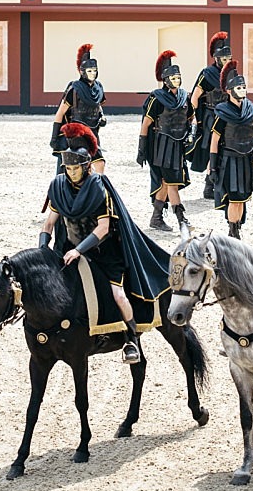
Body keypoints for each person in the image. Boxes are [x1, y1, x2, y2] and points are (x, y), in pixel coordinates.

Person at [40, 122, 171, 365]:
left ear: (86, 165)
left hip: (103, 251)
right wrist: (42, 248)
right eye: (67, 168)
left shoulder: (98, 188)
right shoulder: (59, 187)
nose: (70, 172)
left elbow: (103, 228)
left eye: (75, 168)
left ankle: (131, 339)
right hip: (70, 248)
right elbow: (49, 223)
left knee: (117, 294)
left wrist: (79, 250)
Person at [137, 50, 194, 233]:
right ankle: (182, 220)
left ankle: (156, 217)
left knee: (165, 183)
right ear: (165, 79)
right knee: (172, 184)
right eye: (173, 77)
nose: (176, 80)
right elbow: (146, 123)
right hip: (160, 147)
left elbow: (191, 117)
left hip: (177, 145)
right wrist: (142, 148)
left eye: (178, 77)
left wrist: (190, 134)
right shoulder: (157, 97)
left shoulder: (185, 96)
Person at [207, 59, 253, 239]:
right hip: (229, 160)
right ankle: (233, 232)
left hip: (246, 159)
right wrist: (213, 167)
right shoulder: (222, 111)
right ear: (230, 91)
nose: (243, 91)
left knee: (243, 198)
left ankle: (237, 227)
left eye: (244, 87)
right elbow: (215, 140)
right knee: (233, 198)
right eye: (239, 88)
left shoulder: (251, 108)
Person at [188, 31, 232, 201]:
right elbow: (195, 96)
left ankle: (215, 182)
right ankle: (209, 185)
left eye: (229, 58)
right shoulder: (207, 73)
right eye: (224, 58)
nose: (226, 61)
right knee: (211, 148)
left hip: (225, 115)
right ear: (216, 57)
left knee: (224, 148)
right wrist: (193, 119)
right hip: (209, 116)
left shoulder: (230, 73)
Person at [50, 43, 106, 174]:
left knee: (99, 164)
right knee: (76, 165)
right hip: (76, 132)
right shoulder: (75, 89)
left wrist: (102, 116)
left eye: (95, 70)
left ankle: (96, 190)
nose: (93, 73)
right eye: (89, 71)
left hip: (92, 132)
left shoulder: (98, 88)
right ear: (82, 72)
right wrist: (54, 137)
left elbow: (97, 105)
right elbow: (60, 113)